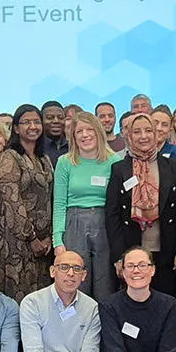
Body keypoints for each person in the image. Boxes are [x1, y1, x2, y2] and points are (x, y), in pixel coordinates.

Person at [106, 112, 176, 298]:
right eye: (137, 132)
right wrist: (119, 257)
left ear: (155, 133)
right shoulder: (119, 169)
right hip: (132, 252)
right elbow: (112, 216)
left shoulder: (175, 166)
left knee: (168, 302)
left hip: (168, 251)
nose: (143, 136)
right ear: (128, 135)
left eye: (148, 130)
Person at [52, 112, 121, 299]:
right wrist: (58, 241)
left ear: (98, 131)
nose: (85, 135)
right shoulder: (65, 162)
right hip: (74, 224)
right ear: (73, 136)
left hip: (104, 224)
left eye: (89, 129)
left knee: (105, 283)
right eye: (79, 131)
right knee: (75, 280)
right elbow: (59, 203)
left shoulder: (114, 161)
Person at [0, 104, 55, 300]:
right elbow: (12, 200)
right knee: (20, 292)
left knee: (42, 295)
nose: (33, 126)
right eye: (26, 122)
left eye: (36, 122)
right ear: (16, 129)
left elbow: (50, 197)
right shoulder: (10, 156)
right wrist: (31, 237)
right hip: (18, 239)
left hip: (44, 242)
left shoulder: (44, 158)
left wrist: (48, 236)